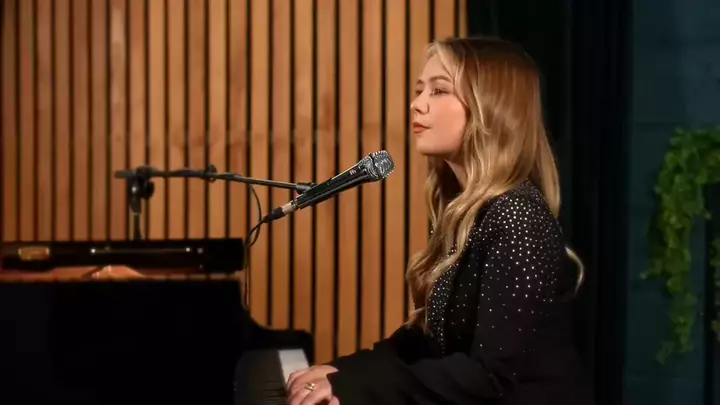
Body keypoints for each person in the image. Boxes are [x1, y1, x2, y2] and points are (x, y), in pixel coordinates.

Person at [285, 36, 594, 405]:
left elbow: (488, 377)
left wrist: (353, 386)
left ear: (491, 107)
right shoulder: (466, 210)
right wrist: (343, 373)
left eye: (439, 90)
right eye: (420, 90)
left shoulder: (517, 214)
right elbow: (427, 343)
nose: (417, 104)